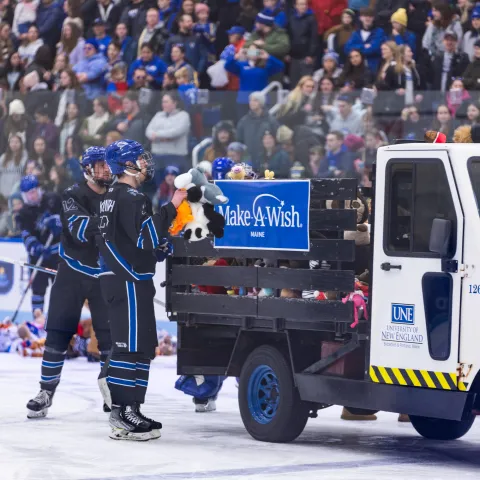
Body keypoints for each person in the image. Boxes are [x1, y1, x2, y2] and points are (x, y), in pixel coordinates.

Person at [98, 139, 186, 441]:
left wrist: (155, 248)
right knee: (131, 346)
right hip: (128, 280)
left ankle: (131, 408)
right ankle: (122, 413)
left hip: (126, 279)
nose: (145, 163)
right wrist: (173, 206)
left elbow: (132, 240)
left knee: (142, 344)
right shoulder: (132, 197)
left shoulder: (113, 195)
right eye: (139, 158)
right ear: (126, 164)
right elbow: (146, 236)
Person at [25, 147, 113, 419]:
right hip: (71, 274)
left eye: (108, 165)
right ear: (88, 169)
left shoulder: (117, 195)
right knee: (57, 333)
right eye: (100, 166)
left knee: (110, 338)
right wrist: (117, 222)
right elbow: (82, 230)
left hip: (104, 277)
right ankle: (46, 392)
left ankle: (112, 392)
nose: (106, 170)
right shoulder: (73, 195)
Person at [15, 174, 62, 313]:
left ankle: (60, 321)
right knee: (38, 290)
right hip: (38, 258)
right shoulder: (23, 213)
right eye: (28, 194)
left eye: (33, 192)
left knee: (60, 289)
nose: (32, 196)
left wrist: (59, 222)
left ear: (39, 189)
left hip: (58, 256)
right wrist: (37, 248)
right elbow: (26, 236)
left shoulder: (54, 199)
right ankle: (38, 321)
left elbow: (68, 217)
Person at [145, 92, 191, 177]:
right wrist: (165, 137)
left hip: (175, 156)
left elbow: (176, 132)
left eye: (166, 102)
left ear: (174, 103)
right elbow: (148, 131)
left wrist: (157, 136)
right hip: (157, 155)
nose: (163, 104)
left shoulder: (183, 115)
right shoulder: (158, 115)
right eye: (163, 102)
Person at [345, 7, 385, 75]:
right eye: (364, 16)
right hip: (357, 69)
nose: (367, 18)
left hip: (374, 69)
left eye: (370, 16)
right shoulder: (356, 33)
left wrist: (357, 48)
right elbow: (347, 48)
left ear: (373, 18)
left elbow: (374, 49)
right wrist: (364, 46)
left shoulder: (379, 32)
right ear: (360, 18)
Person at [287, 0, 318, 87]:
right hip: (293, 55)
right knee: (294, 82)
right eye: (300, 4)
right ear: (295, 6)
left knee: (306, 82)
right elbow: (289, 36)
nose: (303, 6)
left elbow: (314, 38)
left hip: (306, 56)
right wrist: (288, 52)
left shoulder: (311, 19)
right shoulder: (291, 18)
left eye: (305, 4)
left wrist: (311, 55)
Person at [0, 134, 28, 199]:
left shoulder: (25, 157)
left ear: (21, 143)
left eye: (17, 142)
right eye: (12, 142)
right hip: (3, 191)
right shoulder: (3, 157)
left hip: (17, 190)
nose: (14, 144)